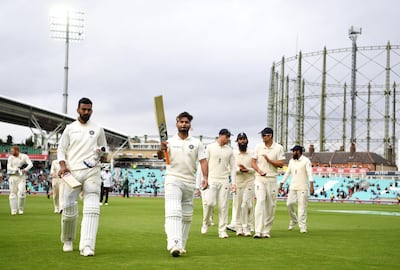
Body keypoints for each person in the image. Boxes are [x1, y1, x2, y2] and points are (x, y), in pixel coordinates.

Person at [57, 97, 108, 257]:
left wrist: (101, 153)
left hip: (92, 171)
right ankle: (68, 239)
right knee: (69, 209)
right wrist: (63, 166)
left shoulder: (98, 129)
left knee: (92, 209)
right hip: (73, 172)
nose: (86, 112)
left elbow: (105, 151)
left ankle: (87, 245)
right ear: (78, 110)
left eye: (89, 110)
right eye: (84, 109)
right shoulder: (70, 128)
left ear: (92, 110)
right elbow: (61, 150)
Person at [158, 111, 208, 257]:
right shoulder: (169, 142)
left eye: (186, 122)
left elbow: (203, 161)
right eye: (181, 122)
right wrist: (161, 149)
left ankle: (181, 244)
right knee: (174, 211)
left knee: (186, 216)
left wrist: (205, 177)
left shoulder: (197, 143)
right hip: (173, 178)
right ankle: (174, 244)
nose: (184, 124)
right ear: (177, 124)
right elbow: (161, 157)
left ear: (190, 125)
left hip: (190, 181)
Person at [201, 129, 236, 239]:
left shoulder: (230, 150)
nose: (228, 139)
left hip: (224, 180)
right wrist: (205, 178)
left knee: (223, 206)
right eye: (227, 136)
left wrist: (233, 182)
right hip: (212, 178)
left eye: (229, 137)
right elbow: (204, 163)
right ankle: (205, 222)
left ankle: (222, 230)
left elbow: (233, 167)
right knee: (210, 203)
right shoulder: (210, 147)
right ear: (221, 136)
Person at [251, 127, 285, 238]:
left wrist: (269, 160)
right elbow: (253, 162)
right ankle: (258, 231)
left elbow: (281, 163)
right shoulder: (258, 146)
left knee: (270, 205)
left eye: (263, 135)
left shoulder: (278, 148)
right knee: (260, 202)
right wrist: (259, 170)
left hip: (272, 178)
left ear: (269, 136)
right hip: (260, 179)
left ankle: (266, 231)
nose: (262, 137)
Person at [279, 145, 314, 233]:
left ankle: (303, 227)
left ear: (298, 151)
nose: (292, 153)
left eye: (293, 151)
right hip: (293, 187)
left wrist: (311, 186)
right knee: (289, 204)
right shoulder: (291, 161)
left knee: (302, 207)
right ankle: (294, 220)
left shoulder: (306, 161)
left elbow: (310, 174)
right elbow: (287, 173)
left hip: (303, 187)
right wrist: (281, 183)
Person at [233, 132, 255, 237]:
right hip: (238, 182)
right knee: (238, 205)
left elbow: (256, 169)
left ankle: (246, 227)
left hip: (249, 181)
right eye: (240, 139)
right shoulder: (233, 154)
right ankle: (238, 228)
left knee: (245, 204)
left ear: (247, 140)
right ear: (237, 141)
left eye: (244, 139)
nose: (242, 141)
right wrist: (239, 169)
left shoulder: (252, 153)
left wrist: (247, 170)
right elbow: (230, 168)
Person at [7, 145, 33, 215]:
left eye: (13, 151)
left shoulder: (24, 156)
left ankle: (20, 209)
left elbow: (30, 164)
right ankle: (13, 210)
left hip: (21, 177)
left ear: (17, 150)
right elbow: (8, 167)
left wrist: (25, 169)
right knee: (13, 194)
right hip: (13, 177)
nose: (11, 152)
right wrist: (15, 170)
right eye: (11, 151)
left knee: (21, 193)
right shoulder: (10, 158)